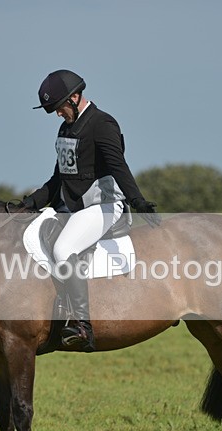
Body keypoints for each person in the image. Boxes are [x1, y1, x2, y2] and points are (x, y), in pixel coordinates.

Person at [19, 69, 160, 352]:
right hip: (72, 207)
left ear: (74, 98)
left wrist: (137, 200)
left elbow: (119, 167)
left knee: (63, 249)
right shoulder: (66, 129)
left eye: (59, 108)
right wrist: (31, 202)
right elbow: (59, 177)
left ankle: (83, 326)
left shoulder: (102, 123)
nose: (57, 114)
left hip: (102, 206)